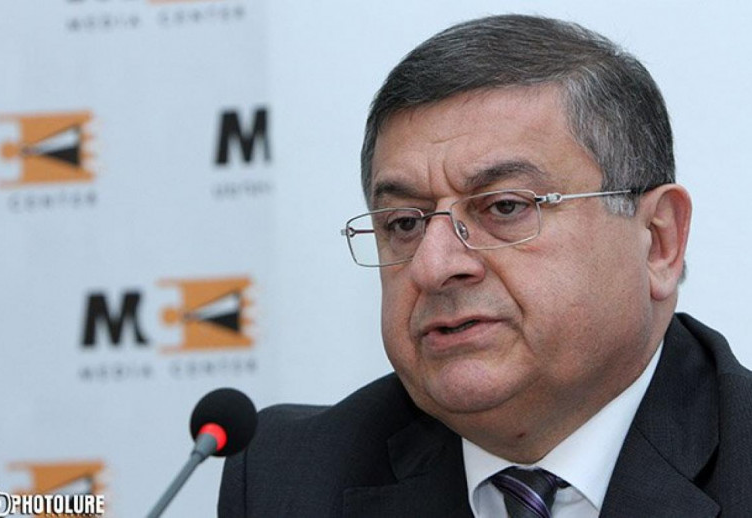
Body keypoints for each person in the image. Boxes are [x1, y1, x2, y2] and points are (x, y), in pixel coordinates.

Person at [218, 14, 752, 517]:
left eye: (505, 207)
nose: (433, 266)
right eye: (404, 223)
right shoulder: (287, 478)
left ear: (658, 240)